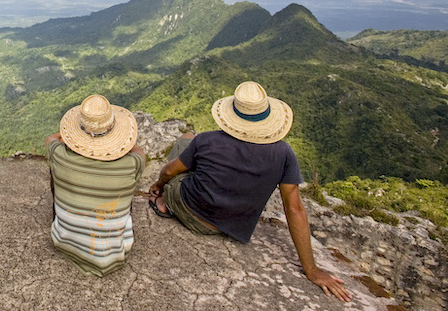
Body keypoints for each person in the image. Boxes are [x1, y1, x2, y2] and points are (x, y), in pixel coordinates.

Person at [147, 81, 352, 301]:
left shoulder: (207, 140)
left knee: (184, 143)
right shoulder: (284, 153)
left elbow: (169, 171)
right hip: (233, 226)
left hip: (193, 212)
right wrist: (312, 270)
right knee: (189, 146)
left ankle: (166, 204)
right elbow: (294, 209)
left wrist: (159, 186)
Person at [45, 94, 146, 276]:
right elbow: (138, 151)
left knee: (54, 173)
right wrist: (121, 145)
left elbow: (51, 139)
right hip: (112, 256)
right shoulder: (133, 163)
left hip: (63, 244)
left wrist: (72, 137)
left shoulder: (58, 155)